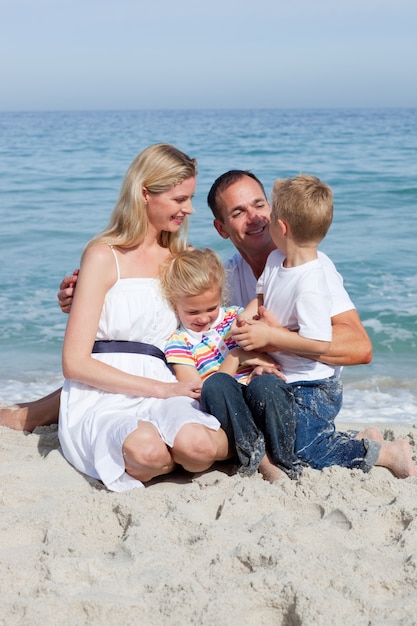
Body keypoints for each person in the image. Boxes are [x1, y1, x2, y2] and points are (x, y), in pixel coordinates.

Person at [0, 169, 375, 432]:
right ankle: (36, 413)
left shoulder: (311, 269)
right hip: (248, 390)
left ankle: (31, 414)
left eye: (260, 205)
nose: (254, 217)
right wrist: (88, 297)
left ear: (276, 215)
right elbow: (159, 299)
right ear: (221, 228)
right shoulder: (222, 277)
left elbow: (360, 348)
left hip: (297, 394)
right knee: (165, 358)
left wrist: (273, 339)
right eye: (238, 212)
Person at [56, 143, 232, 492]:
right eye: (180, 199)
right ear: (145, 193)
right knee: (148, 452)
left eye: (191, 198)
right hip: (103, 391)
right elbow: (75, 363)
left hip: (167, 379)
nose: (190, 209)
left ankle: (236, 444)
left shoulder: (184, 257)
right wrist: (163, 389)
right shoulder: (104, 255)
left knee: (197, 448)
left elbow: (213, 320)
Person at [231, 174, 415, 478]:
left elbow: (318, 344)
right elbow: (260, 295)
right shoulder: (277, 259)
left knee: (305, 451)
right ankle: (362, 437)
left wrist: (271, 336)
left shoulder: (312, 282)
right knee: (282, 438)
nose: (264, 218)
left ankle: (386, 454)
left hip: (312, 384)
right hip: (286, 377)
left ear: (282, 227)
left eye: (269, 212)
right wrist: (248, 315)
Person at [160, 247, 301, 481]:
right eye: (193, 312)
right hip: (226, 410)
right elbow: (197, 389)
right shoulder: (179, 343)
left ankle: (285, 459)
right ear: (175, 304)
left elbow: (266, 357)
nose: (204, 318)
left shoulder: (235, 319)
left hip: (257, 398)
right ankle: (260, 460)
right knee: (217, 384)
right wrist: (237, 358)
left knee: (267, 383)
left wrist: (260, 366)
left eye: (211, 308)